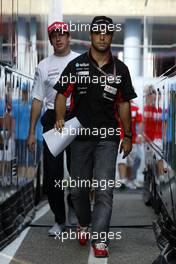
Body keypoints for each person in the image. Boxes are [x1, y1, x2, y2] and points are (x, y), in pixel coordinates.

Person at [54, 16, 137, 258]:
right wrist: (60, 117)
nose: (102, 36)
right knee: (79, 191)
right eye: (98, 32)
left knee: (103, 188)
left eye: (107, 33)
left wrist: (128, 135)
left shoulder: (120, 69)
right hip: (79, 138)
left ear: (112, 36)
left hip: (108, 138)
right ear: (90, 35)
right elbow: (61, 95)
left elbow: (123, 105)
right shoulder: (76, 65)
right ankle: (83, 222)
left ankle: (100, 239)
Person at [27, 21, 79, 236]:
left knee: (79, 171)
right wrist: (31, 132)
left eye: (62, 34)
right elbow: (37, 100)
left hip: (75, 118)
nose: (58, 38)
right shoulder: (43, 65)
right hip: (51, 120)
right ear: (50, 40)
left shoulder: (80, 61)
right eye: (54, 35)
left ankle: (75, 210)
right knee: (52, 175)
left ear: (69, 37)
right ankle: (59, 219)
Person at [116, 100, 143, 189]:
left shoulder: (136, 107)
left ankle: (128, 180)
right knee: (122, 159)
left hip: (133, 139)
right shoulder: (118, 105)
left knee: (130, 162)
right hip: (121, 137)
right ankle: (122, 180)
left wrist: (139, 135)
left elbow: (140, 122)